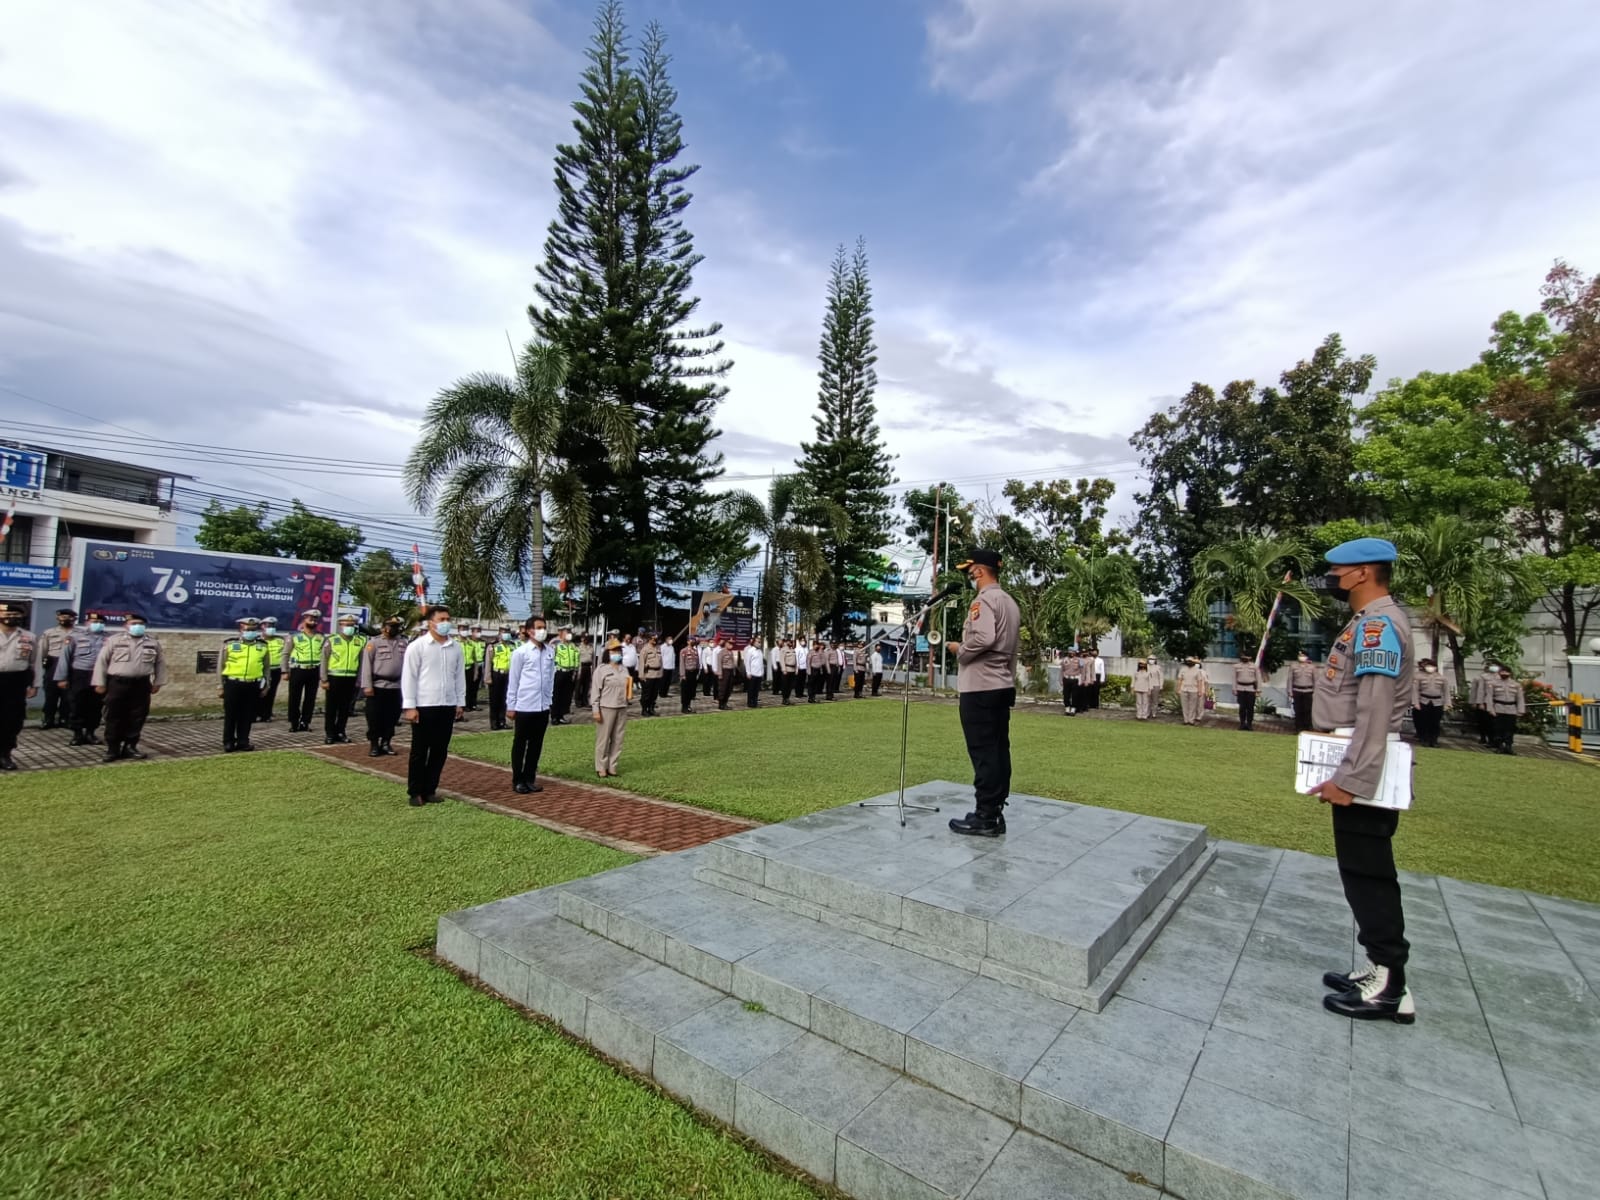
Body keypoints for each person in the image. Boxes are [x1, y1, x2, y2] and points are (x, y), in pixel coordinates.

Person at [1310, 537, 1416, 1024]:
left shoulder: (1378, 626)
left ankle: (1389, 984)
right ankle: (1379, 968)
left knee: (1369, 874)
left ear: (1363, 573)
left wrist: (1351, 780)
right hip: (1354, 756)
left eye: (1336, 571)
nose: (1331, 578)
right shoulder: (1365, 622)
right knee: (1361, 871)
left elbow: (1375, 710)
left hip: (1364, 766)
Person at [947, 549, 1021, 837]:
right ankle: (993, 808)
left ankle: (985, 816)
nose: (969, 576)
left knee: (984, 752)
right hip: (1001, 684)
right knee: (999, 749)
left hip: (980, 686)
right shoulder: (1009, 602)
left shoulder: (984, 601)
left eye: (970, 571)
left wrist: (960, 651)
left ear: (979, 571)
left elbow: (984, 637)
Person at [400, 605, 466, 806]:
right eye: (442, 619)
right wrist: (410, 706)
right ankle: (415, 791)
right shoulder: (418, 646)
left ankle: (430, 789)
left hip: (447, 704)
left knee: (440, 750)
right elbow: (409, 677)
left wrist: (460, 702)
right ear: (430, 622)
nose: (446, 623)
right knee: (420, 751)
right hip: (424, 705)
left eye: (448, 619)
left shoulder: (455, 647)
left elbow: (459, 677)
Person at [92, 611, 166, 762]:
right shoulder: (114, 640)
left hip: (141, 683)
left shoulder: (152, 643)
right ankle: (112, 749)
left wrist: (158, 682)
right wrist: (99, 682)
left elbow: (160, 664)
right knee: (114, 716)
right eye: (133, 624)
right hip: (117, 683)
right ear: (126, 626)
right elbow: (102, 661)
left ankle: (130, 747)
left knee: (137, 716)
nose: (137, 627)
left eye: (140, 624)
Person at [507, 616, 556, 792]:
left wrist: (549, 700)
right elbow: (514, 680)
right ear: (529, 631)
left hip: (542, 706)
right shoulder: (521, 652)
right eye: (539, 627)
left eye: (544, 627)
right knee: (520, 743)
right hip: (524, 705)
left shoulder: (550, 651)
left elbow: (550, 678)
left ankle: (530, 777)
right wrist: (511, 705)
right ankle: (518, 780)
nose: (543, 630)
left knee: (536, 745)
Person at [55, 609, 109, 746]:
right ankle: (77, 734)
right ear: (87, 622)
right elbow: (65, 657)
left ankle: (90, 733)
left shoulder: (109, 638)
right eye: (94, 621)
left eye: (100, 622)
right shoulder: (74, 636)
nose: (97, 624)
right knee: (77, 704)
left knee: (96, 705)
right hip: (79, 674)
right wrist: (62, 678)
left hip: (99, 676)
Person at [217, 616, 269, 752]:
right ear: (241, 628)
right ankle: (228, 742)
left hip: (252, 684)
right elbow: (220, 666)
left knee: (247, 715)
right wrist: (220, 686)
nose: (251, 631)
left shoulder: (262, 645)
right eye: (248, 628)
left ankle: (243, 741)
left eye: (254, 629)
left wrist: (266, 685)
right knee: (231, 714)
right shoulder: (229, 644)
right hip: (233, 683)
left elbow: (266, 668)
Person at [360, 615, 408, 756]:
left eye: (396, 626)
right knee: (374, 717)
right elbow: (367, 665)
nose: (394, 629)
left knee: (392, 716)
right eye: (391, 626)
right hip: (378, 685)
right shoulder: (374, 643)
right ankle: (374, 744)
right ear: (384, 628)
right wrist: (367, 686)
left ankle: (386, 742)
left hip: (396, 686)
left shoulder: (403, 643)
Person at [0, 604, 39, 770]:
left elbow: (35, 663)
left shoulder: (28, 636)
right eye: (7, 613)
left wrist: (34, 685)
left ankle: (4, 755)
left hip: (16, 682)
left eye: (15, 613)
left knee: (12, 720)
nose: (11, 616)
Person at [320, 615, 366, 744]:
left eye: (352, 625)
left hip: (350, 679)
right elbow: (324, 659)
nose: (349, 628)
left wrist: (359, 679)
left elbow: (362, 662)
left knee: (345, 708)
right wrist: (324, 679)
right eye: (347, 625)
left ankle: (341, 731)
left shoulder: (360, 641)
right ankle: (329, 733)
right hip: (334, 678)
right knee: (331, 708)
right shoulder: (332, 640)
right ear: (341, 625)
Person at [592, 637, 631, 777]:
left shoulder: (624, 669)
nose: (617, 653)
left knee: (618, 738)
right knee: (603, 739)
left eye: (619, 650)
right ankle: (601, 767)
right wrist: (595, 710)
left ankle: (612, 766)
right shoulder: (601, 670)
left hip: (621, 706)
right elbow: (595, 691)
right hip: (606, 707)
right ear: (607, 652)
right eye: (614, 650)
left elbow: (628, 687)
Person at [36, 608, 76, 730]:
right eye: (62, 617)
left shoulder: (79, 633)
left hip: (71, 664)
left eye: (68, 617)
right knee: (51, 693)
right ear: (58, 618)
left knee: (68, 694)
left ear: (74, 619)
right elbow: (42, 650)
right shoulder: (49, 633)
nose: (65, 619)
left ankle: (65, 718)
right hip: (53, 663)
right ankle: (48, 719)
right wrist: (41, 664)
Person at [286, 611, 325, 732]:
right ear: (304, 619)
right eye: (310, 619)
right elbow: (285, 653)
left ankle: (305, 722)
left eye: (315, 619)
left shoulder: (321, 637)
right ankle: (294, 722)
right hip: (298, 669)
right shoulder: (294, 636)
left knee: (310, 698)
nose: (313, 621)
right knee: (294, 697)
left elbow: (324, 656)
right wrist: (284, 671)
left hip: (314, 670)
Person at [1487, 666, 1525, 755]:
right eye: (1502, 672)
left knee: (1510, 729)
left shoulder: (1516, 685)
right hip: (1498, 708)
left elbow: (1520, 698)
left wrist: (1520, 710)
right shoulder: (1493, 684)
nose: (1504, 674)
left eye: (1506, 672)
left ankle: (1508, 746)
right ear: (1499, 673)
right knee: (1498, 729)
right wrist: (1490, 709)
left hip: (1511, 709)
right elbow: (1489, 697)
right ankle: (1499, 746)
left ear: (1510, 673)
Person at [1411, 658, 1447, 749]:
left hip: (1437, 702)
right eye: (1428, 666)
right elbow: (1415, 690)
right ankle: (1424, 739)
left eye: (1432, 666)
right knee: (1423, 721)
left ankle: (1434, 740)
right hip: (1424, 700)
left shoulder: (1442, 678)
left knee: (1435, 722)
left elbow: (1446, 692)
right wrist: (1415, 703)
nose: (1430, 668)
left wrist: (1447, 703)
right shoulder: (1419, 676)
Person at [485, 628, 515, 730]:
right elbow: (488, 663)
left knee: (504, 699)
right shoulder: (493, 646)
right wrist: (488, 677)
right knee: (494, 700)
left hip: (508, 675)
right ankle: (494, 722)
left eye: (507, 632)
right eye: (504, 632)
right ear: (499, 634)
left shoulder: (512, 646)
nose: (506, 634)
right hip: (496, 674)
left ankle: (502, 721)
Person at [257, 617, 285, 722]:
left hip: (275, 670)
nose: (271, 628)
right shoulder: (257, 640)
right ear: (262, 626)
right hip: (261, 670)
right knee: (259, 692)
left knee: (271, 692)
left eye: (273, 626)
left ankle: (267, 715)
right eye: (268, 626)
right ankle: (256, 713)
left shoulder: (280, 640)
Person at [551, 627, 580, 725]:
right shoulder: (556, 644)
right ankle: (554, 716)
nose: (569, 634)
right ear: (561, 633)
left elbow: (576, 658)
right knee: (556, 695)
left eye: (570, 632)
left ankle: (561, 716)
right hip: (559, 672)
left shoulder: (572, 645)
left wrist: (576, 671)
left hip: (570, 672)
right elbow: (551, 658)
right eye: (567, 632)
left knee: (566, 696)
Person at [1289, 652, 1318, 733]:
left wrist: (1316, 692)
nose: (1301, 657)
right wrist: (1289, 691)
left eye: (1303, 656)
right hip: (1297, 690)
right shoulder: (1293, 666)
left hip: (1308, 691)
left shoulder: (1312, 667)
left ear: (1307, 657)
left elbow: (1316, 680)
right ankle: (1298, 727)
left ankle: (1307, 727)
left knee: (1307, 710)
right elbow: (1290, 679)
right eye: (1300, 656)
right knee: (1298, 710)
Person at [1471, 663, 1499, 746]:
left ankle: (1494, 740)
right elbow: (1478, 691)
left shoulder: (1500, 677)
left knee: (1494, 723)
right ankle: (1484, 737)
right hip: (1484, 702)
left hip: (1496, 703)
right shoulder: (1481, 678)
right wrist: (1478, 702)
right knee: (1483, 722)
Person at [1233, 654, 1261, 731]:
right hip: (1240, 688)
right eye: (1244, 657)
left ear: (1250, 658)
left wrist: (1258, 689)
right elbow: (1234, 678)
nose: (1245, 658)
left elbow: (1258, 678)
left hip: (1251, 689)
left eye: (1247, 656)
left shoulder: (1254, 666)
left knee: (1250, 708)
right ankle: (1242, 723)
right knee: (1242, 707)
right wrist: (1234, 689)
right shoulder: (1236, 666)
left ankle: (1249, 724)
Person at [1177, 657, 1209, 725]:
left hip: (1194, 690)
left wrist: (1200, 691)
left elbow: (1199, 681)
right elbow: (1180, 680)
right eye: (1188, 661)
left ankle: (1191, 720)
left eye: (1190, 661)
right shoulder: (1183, 670)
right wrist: (1178, 689)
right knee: (1184, 705)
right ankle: (1186, 720)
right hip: (1184, 689)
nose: (1189, 662)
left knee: (1193, 706)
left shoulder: (1197, 671)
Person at [462, 626, 485, 713]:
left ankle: (473, 704)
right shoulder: (469, 642)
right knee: (468, 686)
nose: (478, 632)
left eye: (480, 630)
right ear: (472, 632)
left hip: (480, 665)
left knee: (475, 686)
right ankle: (466, 704)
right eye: (477, 631)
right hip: (470, 665)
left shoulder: (483, 642)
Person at [640, 633, 664, 717]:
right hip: (648, 674)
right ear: (649, 639)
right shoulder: (645, 649)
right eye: (654, 639)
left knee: (654, 694)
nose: (655, 641)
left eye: (656, 639)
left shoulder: (658, 648)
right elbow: (641, 663)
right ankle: (644, 710)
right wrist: (641, 675)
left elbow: (661, 662)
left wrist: (661, 673)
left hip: (657, 674)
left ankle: (651, 709)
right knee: (646, 694)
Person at [717, 641, 741, 710]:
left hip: (730, 671)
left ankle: (725, 703)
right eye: (730, 644)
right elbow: (719, 663)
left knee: (729, 688)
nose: (731, 645)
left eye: (732, 644)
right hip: (724, 671)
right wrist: (720, 673)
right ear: (726, 644)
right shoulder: (721, 652)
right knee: (723, 688)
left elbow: (733, 663)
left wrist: (734, 672)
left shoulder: (731, 652)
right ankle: (721, 704)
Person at [679, 638, 700, 713]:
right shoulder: (683, 651)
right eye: (691, 640)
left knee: (691, 691)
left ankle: (688, 706)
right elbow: (681, 663)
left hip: (694, 673)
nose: (693, 641)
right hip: (686, 672)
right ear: (687, 641)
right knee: (685, 691)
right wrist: (682, 675)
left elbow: (697, 662)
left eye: (693, 640)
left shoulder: (695, 651)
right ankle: (684, 707)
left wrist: (698, 672)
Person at [576, 634, 595, 708]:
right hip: (581, 666)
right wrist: (578, 669)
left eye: (587, 638)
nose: (586, 640)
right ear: (581, 638)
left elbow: (593, 658)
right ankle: (578, 701)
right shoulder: (578, 647)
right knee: (578, 685)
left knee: (586, 685)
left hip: (588, 667)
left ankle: (585, 701)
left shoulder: (591, 647)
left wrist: (593, 668)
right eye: (584, 638)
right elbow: (577, 659)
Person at [1061, 650, 1080, 716]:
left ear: (1075, 653)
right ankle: (1067, 708)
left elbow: (1083, 671)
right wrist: (1060, 680)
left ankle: (1073, 709)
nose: (1071, 653)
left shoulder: (1079, 660)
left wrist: (1082, 680)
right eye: (1070, 652)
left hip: (1075, 679)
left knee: (1075, 695)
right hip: (1066, 679)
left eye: (1073, 652)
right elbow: (1062, 670)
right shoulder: (1064, 659)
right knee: (1066, 695)